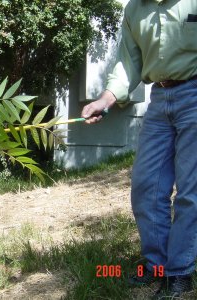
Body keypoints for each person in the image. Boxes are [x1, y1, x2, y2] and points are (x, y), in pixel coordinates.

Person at [81, 0, 197, 299]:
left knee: (190, 191)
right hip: (159, 98)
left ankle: (179, 272)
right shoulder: (134, 9)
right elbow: (127, 63)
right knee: (146, 186)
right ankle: (157, 264)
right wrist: (105, 101)